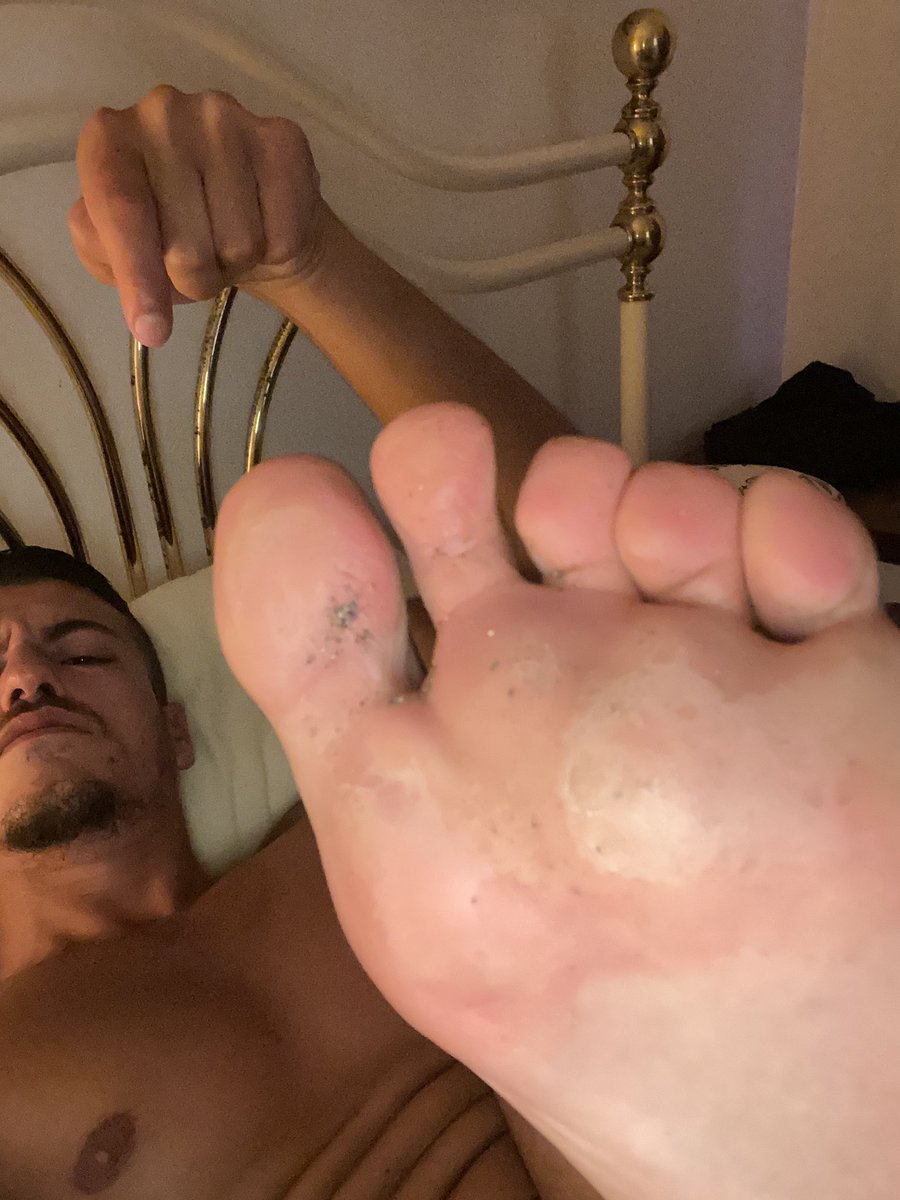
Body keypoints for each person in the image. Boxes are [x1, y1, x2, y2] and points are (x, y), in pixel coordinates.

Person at [0, 84, 896, 1200]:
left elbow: (571, 560)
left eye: (80, 648)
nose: (26, 673)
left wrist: (306, 259)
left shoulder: (376, 807)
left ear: (177, 727)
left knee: (559, 673)